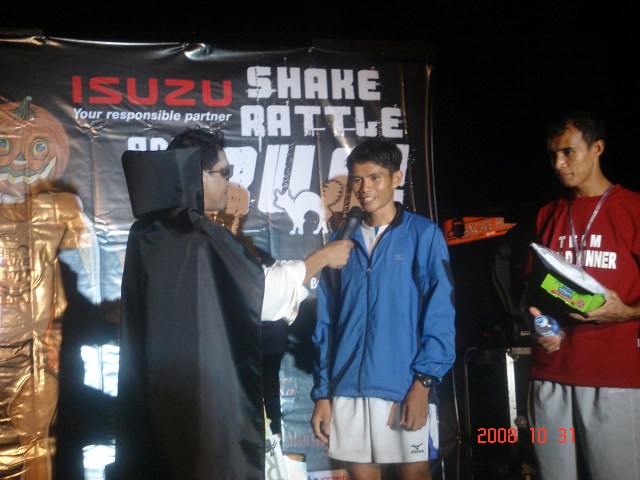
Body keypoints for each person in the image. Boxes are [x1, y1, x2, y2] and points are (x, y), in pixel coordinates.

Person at [110, 127, 353, 479]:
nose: (230, 183)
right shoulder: (201, 235)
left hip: (160, 398)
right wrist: (322, 258)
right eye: (224, 172)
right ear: (197, 175)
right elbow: (264, 296)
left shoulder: (146, 231)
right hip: (204, 402)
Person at [310, 138, 456, 480]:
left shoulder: (423, 235)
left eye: (375, 177)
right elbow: (326, 323)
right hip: (346, 389)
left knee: (415, 475)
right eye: (358, 179)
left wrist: (422, 383)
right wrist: (323, 394)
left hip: (402, 387)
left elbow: (441, 313)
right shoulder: (339, 243)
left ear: (396, 178)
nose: (365, 188)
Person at [524, 110, 640, 480]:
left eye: (568, 152)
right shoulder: (548, 213)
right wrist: (541, 325)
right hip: (550, 375)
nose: (558, 164)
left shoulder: (633, 209)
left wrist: (627, 312)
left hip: (613, 379)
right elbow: (534, 292)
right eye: (553, 155)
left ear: (597, 149)